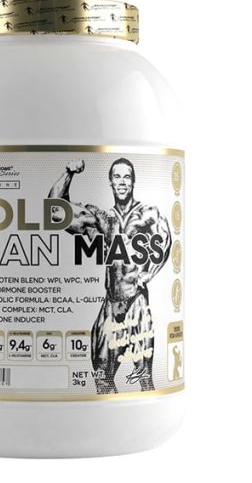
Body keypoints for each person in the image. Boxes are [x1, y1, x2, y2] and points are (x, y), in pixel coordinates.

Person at [49, 157, 171, 393]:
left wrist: (147, 275)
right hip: (111, 304)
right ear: (110, 182)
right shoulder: (102, 219)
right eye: (117, 177)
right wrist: (68, 173)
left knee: (145, 379)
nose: (122, 182)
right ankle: (110, 412)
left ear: (133, 181)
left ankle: (143, 410)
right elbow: (54, 213)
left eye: (127, 177)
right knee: (101, 377)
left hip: (136, 302)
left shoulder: (148, 214)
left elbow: (166, 243)